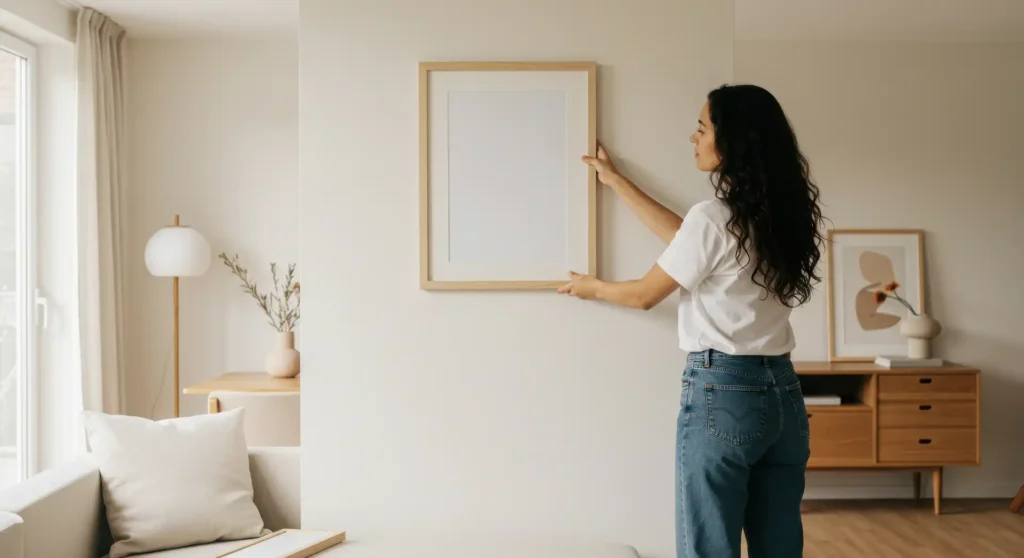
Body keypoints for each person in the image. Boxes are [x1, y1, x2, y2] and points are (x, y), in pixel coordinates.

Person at [558, 84, 825, 558]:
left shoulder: (716, 218)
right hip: (784, 394)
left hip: (725, 391)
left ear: (733, 140)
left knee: (709, 547)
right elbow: (689, 241)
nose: (693, 137)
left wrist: (592, 287)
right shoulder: (782, 218)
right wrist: (616, 181)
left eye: (702, 128)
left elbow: (644, 295)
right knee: (780, 546)